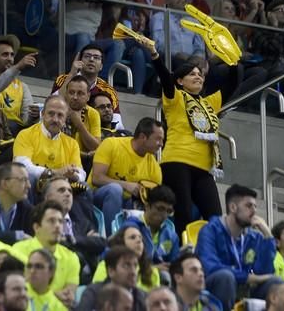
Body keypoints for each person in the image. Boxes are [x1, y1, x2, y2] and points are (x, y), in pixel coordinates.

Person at [138, 37, 237, 236]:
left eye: (200, 74)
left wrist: (229, 54)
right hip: (177, 162)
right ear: (180, 81)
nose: (198, 77)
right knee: (183, 214)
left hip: (204, 167)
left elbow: (235, 79)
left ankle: (209, 257)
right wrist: (155, 55)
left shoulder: (210, 103)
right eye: (192, 74)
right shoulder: (175, 97)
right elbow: (166, 78)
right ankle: (181, 256)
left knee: (215, 219)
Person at [196, 184, 278, 311]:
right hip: (214, 286)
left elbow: (264, 272)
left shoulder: (253, 237)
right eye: (249, 205)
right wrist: (247, 277)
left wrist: (268, 235)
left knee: (275, 283)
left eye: (255, 206)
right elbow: (209, 267)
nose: (254, 211)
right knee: (225, 277)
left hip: (243, 288)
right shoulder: (210, 230)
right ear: (233, 207)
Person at [89, 117, 164, 233]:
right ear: (143, 137)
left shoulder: (154, 167)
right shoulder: (111, 144)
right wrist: (126, 185)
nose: (161, 144)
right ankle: (111, 241)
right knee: (115, 190)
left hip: (127, 205)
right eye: (158, 139)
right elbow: (97, 178)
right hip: (98, 198)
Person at [12, 200, 80, 307]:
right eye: (51, 221)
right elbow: (15, 292)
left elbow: (68, 298)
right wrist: (54, 295)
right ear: (36, 227)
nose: (57, 226)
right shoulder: (18, 250)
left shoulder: (71, 258)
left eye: (60, 221)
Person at [42, 176, 107, 275]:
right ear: (47, 198)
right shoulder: (39, 221)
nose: (67, 194)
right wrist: (85, 242)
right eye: (61, 190)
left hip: (85, 275)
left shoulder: (82, 221)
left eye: (70, 191)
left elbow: (100, 243)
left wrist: (71, 240)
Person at [13, 95, 84, 185]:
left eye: (60, 115)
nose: (55, 119)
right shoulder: (26, 134)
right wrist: (53, 173)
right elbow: (22, 165)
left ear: (65, 118)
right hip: (33, 185)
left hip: (59, 187)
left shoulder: (72, 144)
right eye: (51, 113)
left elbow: (81, 174)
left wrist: (72, 175)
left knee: (83, 187)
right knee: (27, 177)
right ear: (42, 114)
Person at [52, 44, 124, 129]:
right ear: (79, 61)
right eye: (87, 56)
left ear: (101, 66)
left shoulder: (108, 90)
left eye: (96, 57)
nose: (91, 60)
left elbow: (117, 124)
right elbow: (53, 105)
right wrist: (71, 75)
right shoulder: (63, 79)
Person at [0, 39, 39, 135]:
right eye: (5, 55)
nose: (10, 58)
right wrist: (18, 67)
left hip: (15, 131)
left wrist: (34, 116)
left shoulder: (22, 86)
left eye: (12, 55)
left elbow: (26, 121)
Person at [76, 246, 147, 311]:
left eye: (135, 266)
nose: (133, 272)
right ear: (111, 271)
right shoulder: (94, 292)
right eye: (126, 265)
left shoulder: (143, 297)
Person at [125, 185, 180, 270]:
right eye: (160, 209)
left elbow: (175, 268)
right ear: (147, 206)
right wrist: (154, 269)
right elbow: (121, 263)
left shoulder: (171, 236)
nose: (164, 215)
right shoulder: (131, 228)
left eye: (169, 211)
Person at [92, 225, 160, 292]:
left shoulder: (152, 271)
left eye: (141, 238)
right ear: (121, 243)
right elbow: (97, 293)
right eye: (132, 237)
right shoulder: (106, 265)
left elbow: (155, 300)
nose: (139, 240)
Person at [62, 75, 102, 171]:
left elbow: (95, 146)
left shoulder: (93, 113)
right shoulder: (58, 110)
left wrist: (79, 124)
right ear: (66, 94)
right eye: (71, 93)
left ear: (88, 96)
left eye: (80, 93)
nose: (75, 97)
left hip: (83, 164)